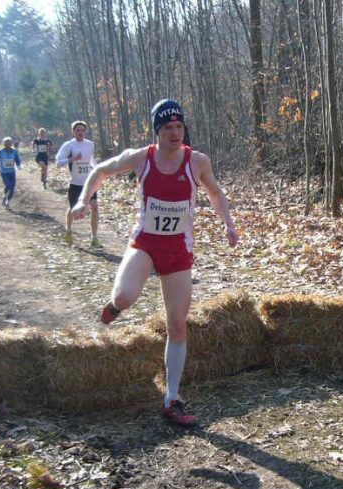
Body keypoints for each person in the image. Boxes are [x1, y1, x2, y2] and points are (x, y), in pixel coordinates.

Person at [71, 99, 239, 427]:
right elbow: (100, 170)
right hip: (145, 243)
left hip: (178, 251)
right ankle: (115, 306)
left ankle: (172, 398)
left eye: (179, 127)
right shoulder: (140, 158)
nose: (175, 134)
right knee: (125, 298)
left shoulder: (197, 161)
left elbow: (216, 194)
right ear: (157, 131)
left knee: (177, 324)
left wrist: (228, 223)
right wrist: (83, 199)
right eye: (167, 128)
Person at [55, 121, 100, 247]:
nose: (80, 133)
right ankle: (69, 231)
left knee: (95, 207)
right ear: (73, 132)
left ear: (86, 132)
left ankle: (94, 238)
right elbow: (58, 163)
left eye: (82, 130)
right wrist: (72, 159)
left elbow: (91, 159)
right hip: (75, 184)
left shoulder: (90, 144)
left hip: (89, 183)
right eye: (78, 130)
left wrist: (98, 170)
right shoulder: (69, 145)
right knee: (73, 209)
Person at [0, 137, 21, 210]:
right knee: (8, 185)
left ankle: (6, 200)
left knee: (12, 188)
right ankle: (6, 200)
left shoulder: (14, 152)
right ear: (4, 144)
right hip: (4, 172)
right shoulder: (0, 152)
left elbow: (17, 159)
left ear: (11, 144)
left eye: (9, 143)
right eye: (6, 143)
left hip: (12, 172)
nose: (8, 144)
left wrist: (18, 165)